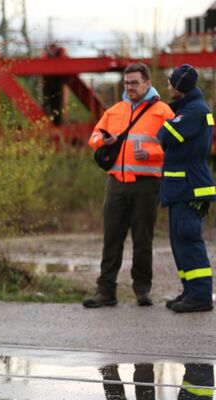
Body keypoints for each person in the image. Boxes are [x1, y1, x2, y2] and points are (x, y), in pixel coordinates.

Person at [83, 63, 174, 309]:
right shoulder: (114, 111)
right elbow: (93, 138)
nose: (130, 87)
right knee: (111, 239)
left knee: (142, 241)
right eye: (126, 83)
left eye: (134, 82)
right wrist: (103, 140)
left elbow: (176, 149)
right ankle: (105, 291)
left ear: (147, 83)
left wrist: (152, 153)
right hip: (116, 185)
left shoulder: (163, 112)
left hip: (146, 185)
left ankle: (142, 291)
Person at [156, 64, 215, 313]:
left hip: (188, 186)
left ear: (180, 86)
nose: (168, 86)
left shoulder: (194, 111)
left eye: (171, 83)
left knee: (188, 239)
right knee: (179, 240)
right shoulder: (190, 108)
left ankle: (200, 295)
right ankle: (190, 290)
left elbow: (166, 135)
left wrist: (167, 123)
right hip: (182, 187)